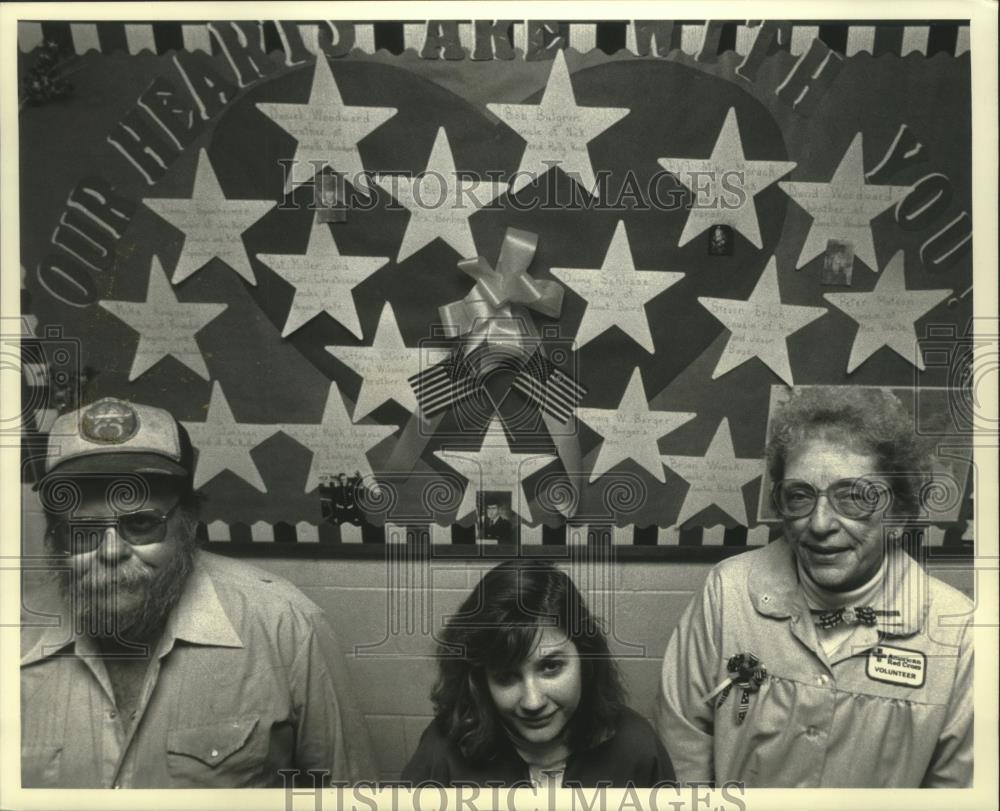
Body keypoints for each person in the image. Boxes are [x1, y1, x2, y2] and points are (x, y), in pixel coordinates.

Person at [21, 397, 376, 788]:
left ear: (187, 525)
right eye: (83, 529)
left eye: (141, 523)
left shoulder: (285, 626)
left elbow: (350, 791)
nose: (111, 553)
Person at [656, 387, 974, 788]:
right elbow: (683, 741)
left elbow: (956, 786)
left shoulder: (957, 630)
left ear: (900, 513)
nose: (820, 524)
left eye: (854, 497)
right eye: (800, 496)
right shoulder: (729, 591)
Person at [402, 560, 675, 787]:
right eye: (506, 677)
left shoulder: (637, 747)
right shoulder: (442, 750)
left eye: (551, 667)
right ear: (480, 679)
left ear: (585, 659)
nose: (532, 702)